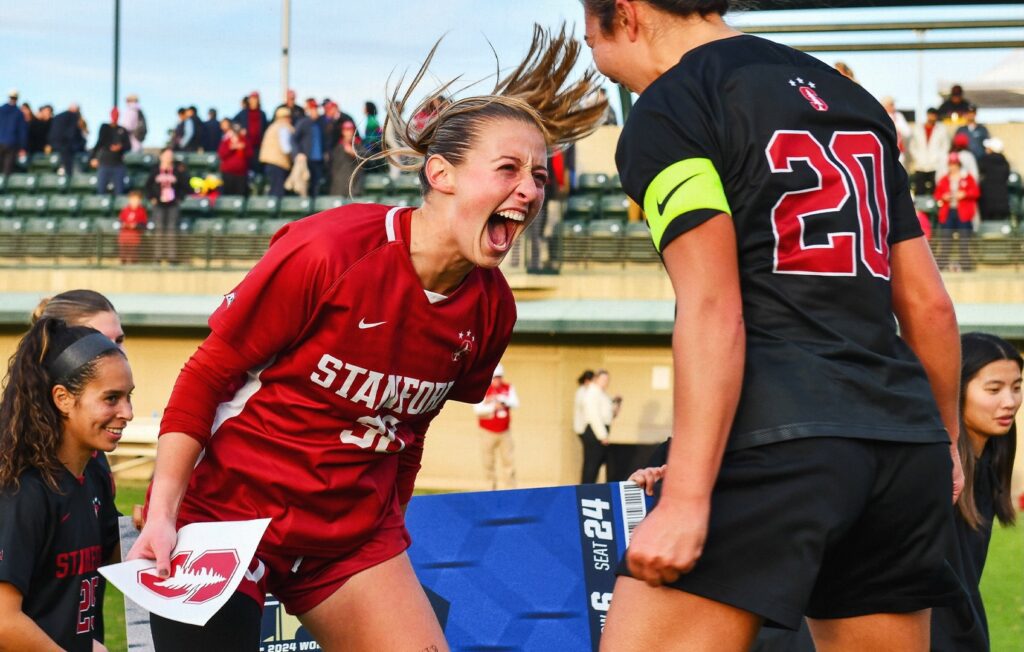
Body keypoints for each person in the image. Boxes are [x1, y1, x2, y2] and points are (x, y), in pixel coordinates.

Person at [127, 24, 606, 650]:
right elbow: (207, 373)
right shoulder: (329, 250)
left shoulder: (493, 310)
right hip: (230, 518)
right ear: (441, 174)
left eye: (540, 175)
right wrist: (163, 513)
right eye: (510, 169)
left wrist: (391, 525)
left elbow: (410, 431)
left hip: (349, 539)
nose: (530, 190)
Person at [581, 2, 964, 651]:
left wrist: (685, 499)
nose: (594, 55)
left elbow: (713, 307)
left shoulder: (672, 107)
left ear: (625, 13)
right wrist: (945, 441)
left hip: (776, 433)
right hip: (903, 443)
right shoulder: (851, 99)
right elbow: (929, 306)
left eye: (589, 36)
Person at [0, 318, 133, 651]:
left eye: (128, 397)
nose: (128, 412)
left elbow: (115, 555)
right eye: (112, 398)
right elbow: (4, 621)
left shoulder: (94, 474)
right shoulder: (24, 491)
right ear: (62, 398)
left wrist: (150, 530)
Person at [932, 333, 1021, 651]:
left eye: (1017, 387)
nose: (1009, 402)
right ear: (955, 391)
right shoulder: (938, 472)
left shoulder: (988, 467)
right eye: (994, 389)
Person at [473, 363, 520, 490]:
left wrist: (502, 400)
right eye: (494, 377)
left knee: (509, 462)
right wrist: (492, 405)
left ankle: (511, 490)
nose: (497, 380)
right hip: (487, 432)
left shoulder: (508, 388)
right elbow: (477, 410)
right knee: (488, 463)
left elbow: (515, 403)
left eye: (499, 377)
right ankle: (490, 490)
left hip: (505, 432)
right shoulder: (482, 389)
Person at [935, 153, 979, 272]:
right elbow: (937, 194)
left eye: (954, 164)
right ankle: (941, 264)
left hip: (963, 212)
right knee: (946, 240)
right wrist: (944, 197)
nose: (952, 167)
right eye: (950, 164)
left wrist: (965, 194)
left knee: (964, 240)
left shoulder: (967, 177)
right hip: (948, 211)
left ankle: (966, 264)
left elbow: (975, 192)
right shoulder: (944, 179)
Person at [145, 148, 190, 264]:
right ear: (161, 156)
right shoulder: (155, 170)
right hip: (159, 204)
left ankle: (172, 257)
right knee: (159, 229)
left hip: (173, 204)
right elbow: (148, 186)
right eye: (167, 155)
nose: (169, 157)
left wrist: (179, 198)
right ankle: (158, 256)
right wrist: (152, 198)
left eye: (171, 155)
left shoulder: (177, 171)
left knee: (172, 229)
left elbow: (184, 187)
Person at [580, 369, 616, 484]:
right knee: (591, 464)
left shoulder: (602, 394)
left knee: (597, 463)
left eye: (607, 380)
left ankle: (590, 488)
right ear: (596, 379)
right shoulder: (592, 392)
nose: (606, 382)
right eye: (603, 379)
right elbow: (593, 415)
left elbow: (609, 414)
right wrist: (602, 435)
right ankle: (585, 491)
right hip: (594, 431)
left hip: (602, 429)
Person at [908, 107, 950, 196]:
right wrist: (917, 157)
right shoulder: (918, 128)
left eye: (934, 115)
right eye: (930, 115)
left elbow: (945, 147)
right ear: (927, 115)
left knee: (934, 190)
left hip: (935, 165)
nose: (932, 117)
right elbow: (912, 146)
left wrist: (939, 158)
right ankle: (920, 209)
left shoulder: (942, 129)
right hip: (920, 164)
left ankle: (933, 208)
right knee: (919, 190)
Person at [90, 108, 132, 196]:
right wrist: (93, 157)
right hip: (104, 164)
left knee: (119, 192)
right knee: (101, 191)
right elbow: (100, 142)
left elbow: (128, 146)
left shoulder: (123, 130)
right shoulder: (105, 127)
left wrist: (120, 147)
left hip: (118, 164)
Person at [292, 99, 326, 200]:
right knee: (305, 185)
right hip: (307, 159)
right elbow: (294, 139)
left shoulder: (320, 124)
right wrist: (298, 153)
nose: (315, 111)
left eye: (316, 109)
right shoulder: (303, 122)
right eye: (313, 109)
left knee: (316, 185)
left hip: (318, 159)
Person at [259, 106, 294, 199]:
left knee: (273, 189)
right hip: (279, 163)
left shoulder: (272, 127)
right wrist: (294, 157)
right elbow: (286, 148)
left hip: (269, 163)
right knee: (278, 191)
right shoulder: (283, 127)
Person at [977, 138, 1011, 223]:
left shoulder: (984, 160)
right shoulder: (1005, 162)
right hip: (1002, 202)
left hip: (986, 202)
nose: (986, 150)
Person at [328, 120, 363, 197]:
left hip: (354, 188)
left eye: (350, 130)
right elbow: (332, 168)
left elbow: (369, 159)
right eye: (346, 130)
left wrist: (354, 153)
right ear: (343, 132)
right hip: (338, 188)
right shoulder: (337, 147)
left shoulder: (358, 145)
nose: (349, 132)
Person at [233, 92, 267, 172]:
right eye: (252, 99)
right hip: (246, 146)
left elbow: (265, 128)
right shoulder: (243, 113)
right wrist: (240, 130)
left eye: (256, 99)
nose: (254, 101)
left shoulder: (262, 114)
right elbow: (233, 123)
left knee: (257, 167)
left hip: (258, 147)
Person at [218, 122, 251, 197]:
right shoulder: (226, 141)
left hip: (241, 174)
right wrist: (231, 148)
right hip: (228, 173)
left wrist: (243, 147)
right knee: (228, 194)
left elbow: (250, 154)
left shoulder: (244, 141)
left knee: (240, 195)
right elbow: (221, 154)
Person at [0, 89, 27, 176]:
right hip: (11, 143)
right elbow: (22, 131)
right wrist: (22, 147)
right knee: (6, 171)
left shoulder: (1, 110)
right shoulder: (19, 113)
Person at [119, 189, 148, 264]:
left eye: (136, 200)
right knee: (123, 256)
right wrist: (124, 224)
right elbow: (120, 221)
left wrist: (136, 226)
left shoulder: (141, 211)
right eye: (132, 199)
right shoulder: (125, 210)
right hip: (124, 238)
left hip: (135, 239)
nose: (134, 202)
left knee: (134, 256)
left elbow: (143, 225)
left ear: (140, 201)